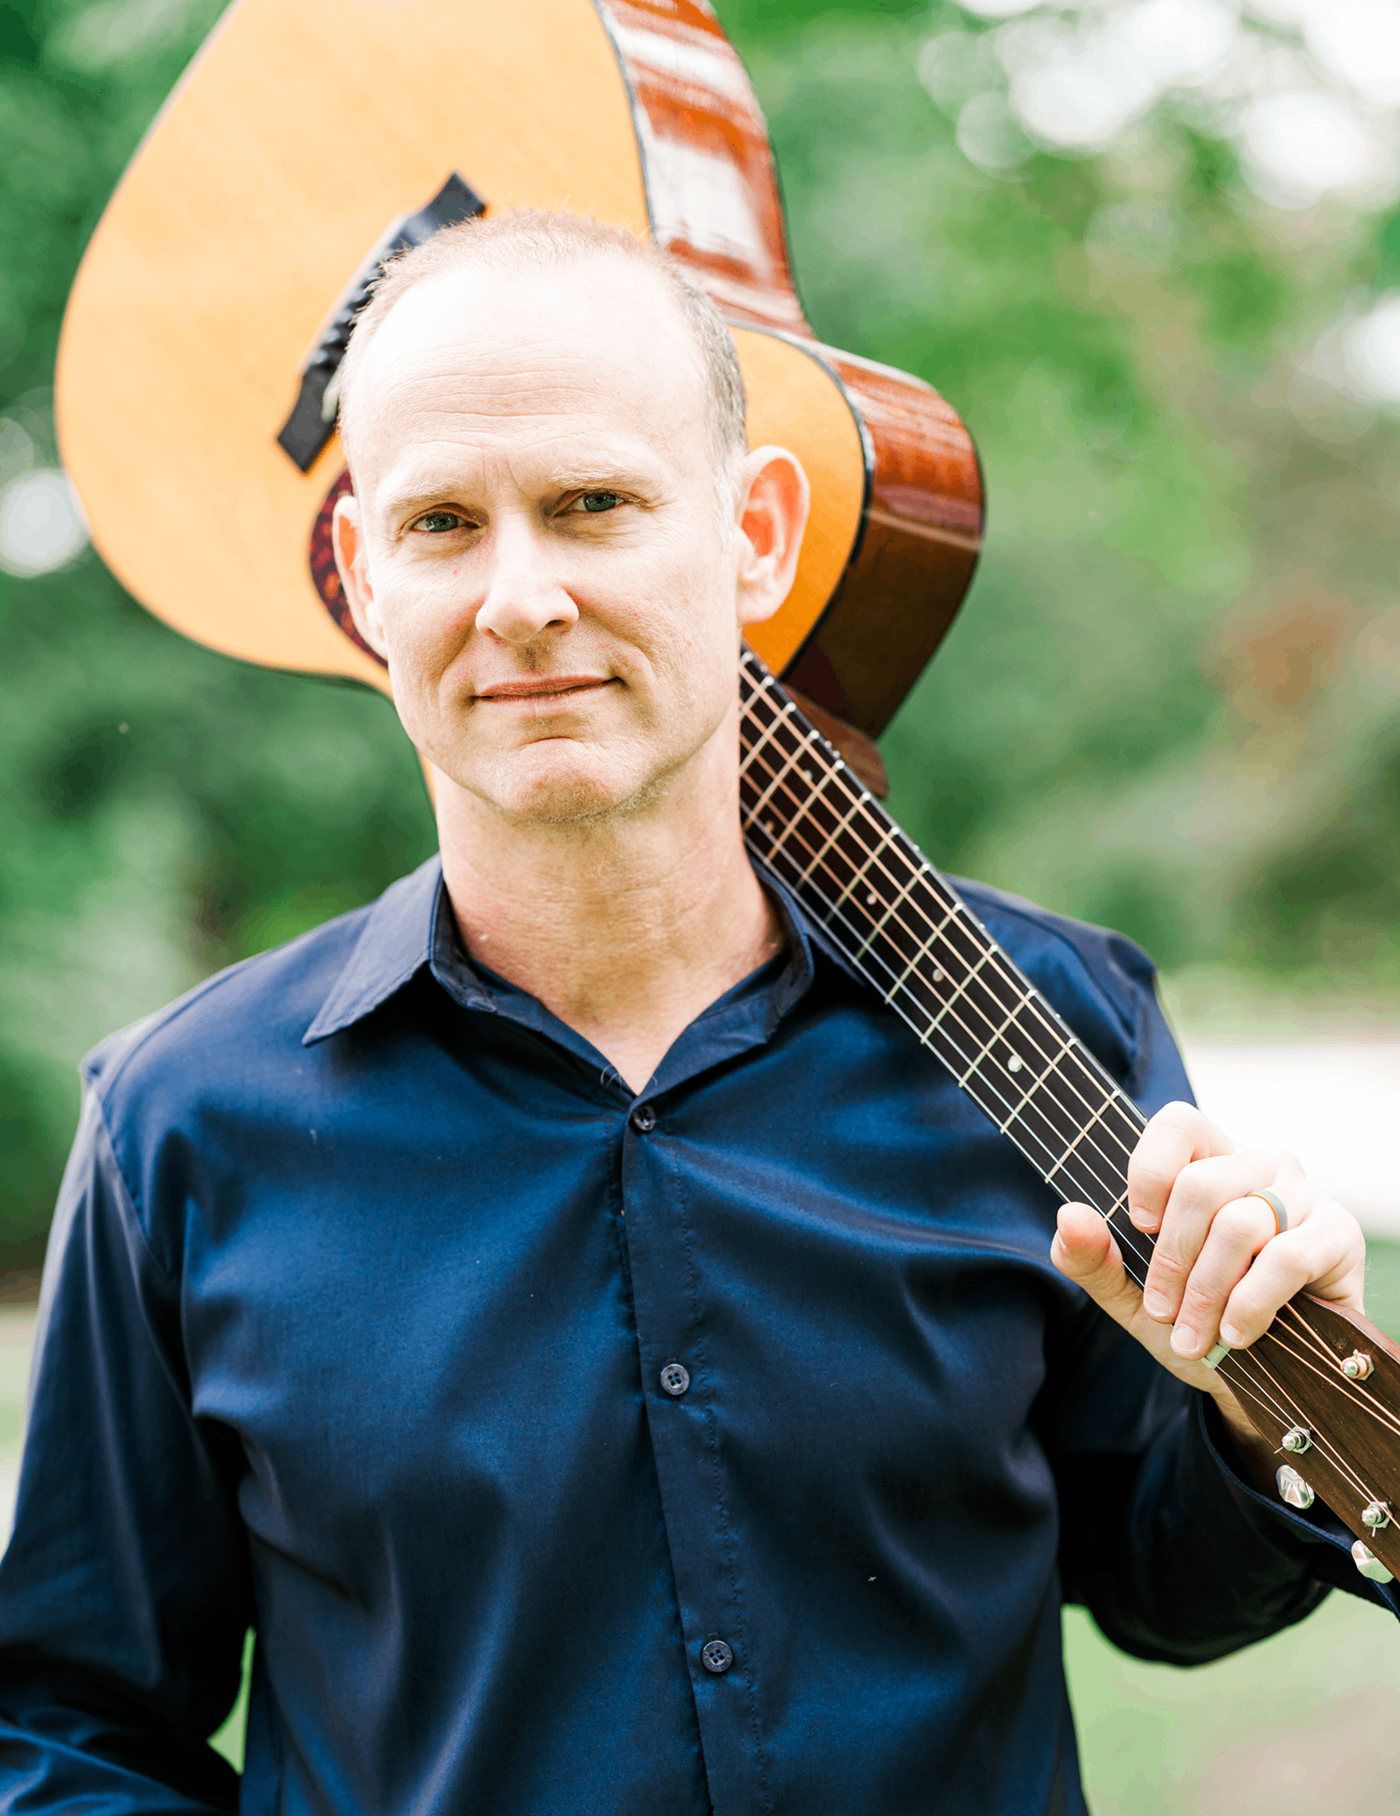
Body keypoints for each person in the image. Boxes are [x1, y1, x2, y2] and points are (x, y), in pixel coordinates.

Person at [0, 211, 1391, 1816]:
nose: (522, 599)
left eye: (593, 504)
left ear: (754, 537)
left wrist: (1259, 1406)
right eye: (445, 523)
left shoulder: (1051, 1030)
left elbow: (1167, 1590)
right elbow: (72, 1721)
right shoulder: (182, 1125)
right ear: (365, 577)